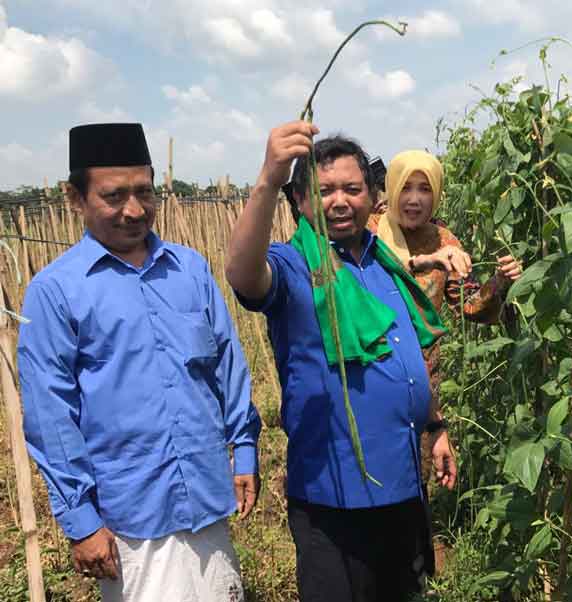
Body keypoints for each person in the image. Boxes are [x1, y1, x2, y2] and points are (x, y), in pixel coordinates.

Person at [17, 123, 262, 602]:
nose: (134, 210)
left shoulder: (189, 269)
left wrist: (245, 448)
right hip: (129, 517)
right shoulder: (56, 291)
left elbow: (227, 365)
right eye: (114, 196)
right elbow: (51, 416)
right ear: (75, 198)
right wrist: (82, 520)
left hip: (207, 495)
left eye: (144, 193)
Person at [225, 122, 458, 602]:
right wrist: (269, 178)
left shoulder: (383, 264)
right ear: (301, 202)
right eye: (323, 190)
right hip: (334, 499)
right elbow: (243, 274)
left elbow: (406, 357)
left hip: (401, 484)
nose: (338, 200)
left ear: (372, 196)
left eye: (352, 188)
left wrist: (434, 427)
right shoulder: (293, 268)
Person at [370, 150, 522, 475]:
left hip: (422, 390)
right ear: (392, 187)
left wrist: (498, 281)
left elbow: (468, 305)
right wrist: (427, 261)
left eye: (424, 189)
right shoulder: (368, 231)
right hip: (368, 380)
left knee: (413, 485)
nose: (414, 199)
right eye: (406, 187)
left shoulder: (444, 239)